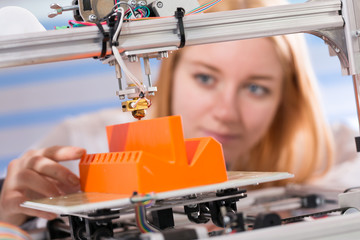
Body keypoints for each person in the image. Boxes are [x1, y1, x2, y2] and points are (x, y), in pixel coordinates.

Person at [0, 0, 358, 228]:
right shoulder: (77, 147)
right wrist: (7, 216)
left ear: (287, 97)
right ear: (171, 74)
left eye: (255, 88)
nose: (225, 112)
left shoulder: (338, 150)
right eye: (205, 78)